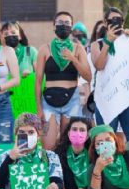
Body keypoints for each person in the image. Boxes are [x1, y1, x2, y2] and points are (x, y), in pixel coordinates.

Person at [36, 12, 92, 149]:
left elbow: (88, 76)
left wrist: (73, 59)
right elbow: (38, 81)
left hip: (72, 99)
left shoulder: (79, 49)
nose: (63, 26)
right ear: (54, 26)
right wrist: (39, 108)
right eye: (60, 23)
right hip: (49, 101)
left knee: (69, 144)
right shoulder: (45, 49)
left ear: (72, 27)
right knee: (48, 146)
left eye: (67, 23)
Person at [90, 7, 129, 137]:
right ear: (105, 22)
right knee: (106, 136)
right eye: (112, 20)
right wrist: (107, 42)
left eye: (119, 20)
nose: (116, 23)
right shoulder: (97, 44)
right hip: (107, 97)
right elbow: (99, 65)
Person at [54, 117, 93, 189]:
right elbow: (55, 187)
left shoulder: (94, 155)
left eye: (82, 130)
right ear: (68, 133)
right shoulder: (57, 156)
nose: (78, 133)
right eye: (74, 129)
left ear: (88, 135)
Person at [2, 21, 39, 120]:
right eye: (6, 34)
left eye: (13, 33)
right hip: (8, 101)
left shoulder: (30, 51)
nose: (10, 36)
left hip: (28, 101)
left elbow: (40, 75)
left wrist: (31, 75)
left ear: (20, 36)